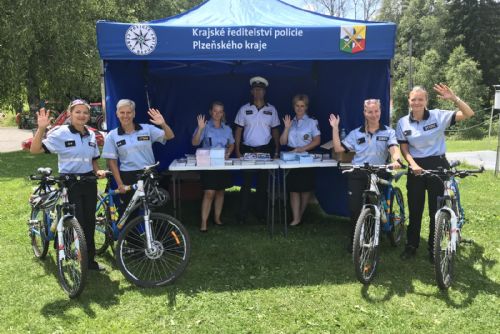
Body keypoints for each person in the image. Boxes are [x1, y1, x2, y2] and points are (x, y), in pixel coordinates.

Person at [396, 84, 474, 261]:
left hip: (437, 164)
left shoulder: (438, 115)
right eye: (413, 99)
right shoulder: (402, 122)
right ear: (409, 100)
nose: (416, 102)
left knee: (435, 211)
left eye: (420, 99)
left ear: (426, 101)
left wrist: (455, 99)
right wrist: (413, 164)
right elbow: (404, 148)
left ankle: (433, 248)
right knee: (415, 210)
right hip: (415, 167)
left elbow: (469, 114)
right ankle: (411, 246)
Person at [30, 99, 106, 270]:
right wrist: (41, 128)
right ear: (70, 114)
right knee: (75, 219)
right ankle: (68, 250)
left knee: (89, 221)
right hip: (70, 182)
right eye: (77, 112)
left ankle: (89, 261)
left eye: (85, 112)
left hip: (88, 181)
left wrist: (97, 171)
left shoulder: (91, 134)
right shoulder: (61, 133)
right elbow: (35, 150)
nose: (82, 115)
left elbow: (93, 159)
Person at [329, 99, 401, 250]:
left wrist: (396, 159)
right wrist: (335, 128)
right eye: (370, 112)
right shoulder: (356, 133)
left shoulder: (388, 132)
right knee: (355, 208)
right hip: (358, 172)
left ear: (380, 112)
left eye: (376, 111)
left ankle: (374, 236)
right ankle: (355, 241)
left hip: (379, 171)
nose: (373, 115)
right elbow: (338, 148)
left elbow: (394, 148)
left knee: (375, 206)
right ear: (364, 113)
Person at [102, 99, 175, 217]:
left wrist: (163, 123)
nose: (125, 115)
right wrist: (120, 184)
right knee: (130, 212)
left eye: (129, 112)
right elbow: (112, 162)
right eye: (122, 112)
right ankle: (130, 236)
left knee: (155, 208)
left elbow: (170, 136)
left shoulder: (147, 129)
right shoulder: (112, 135)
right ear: (117, 114)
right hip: (128, 176)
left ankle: (157, 235)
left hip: (148, 174)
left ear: (134, 113)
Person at [234, 76, 280, 223]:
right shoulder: (244, 109)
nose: (258, 92)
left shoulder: (271, 110)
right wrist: (237, 150)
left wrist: (277, 150)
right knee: (246, 185)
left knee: (263, 185)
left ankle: (261, 214)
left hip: (265, 151)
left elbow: (275, 131)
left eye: (261, 90)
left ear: (264, 92)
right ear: (252, 92)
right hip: (248, 150)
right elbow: (238, 131)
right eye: (256, 90)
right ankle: (242, 215)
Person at [192, 101, 235, 232]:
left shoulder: (227, 128)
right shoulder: (204, 126)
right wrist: (200, 129)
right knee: (209, 192)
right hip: (208, 164)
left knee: (221, 191)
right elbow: (194, 143)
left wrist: (229, 152)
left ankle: (217, 219)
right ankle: (204, 223)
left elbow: (231, 143)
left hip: (222, 163)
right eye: (215, 111)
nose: (217, 114)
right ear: (211, 112)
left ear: (223, 113)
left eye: (220, 111)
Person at [280, 94, 321, 226]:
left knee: (305, 189)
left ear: (306, 107)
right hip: (292, 156)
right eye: (297, 105)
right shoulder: (290, 121)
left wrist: (302, 149)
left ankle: (299, 216)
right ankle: (296, 218)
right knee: (293, 189)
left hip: (306, 156)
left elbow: (317, 140)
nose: (299, 108)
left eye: (302, 106)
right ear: (294, 106)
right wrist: (286, 128)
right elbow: (282, 142)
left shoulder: (312, 122)